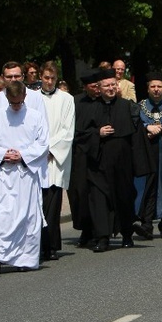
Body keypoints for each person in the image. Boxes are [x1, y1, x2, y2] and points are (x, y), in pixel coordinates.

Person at [0, 81, 49, 274]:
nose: (16, 106)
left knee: (27, 217)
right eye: (12, 103)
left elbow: (43, 143)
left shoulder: (35, 117)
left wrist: (22, 155)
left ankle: (25, 259)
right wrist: (3, 153)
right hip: (2, 174)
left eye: (19, 102)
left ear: (25, 97)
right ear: (6, 99)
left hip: (25, 174)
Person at [81, 69, 143, 252]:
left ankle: (126, 233)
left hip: (122, 163)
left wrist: (137, 164)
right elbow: (80, 135)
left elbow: (136, 137)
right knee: (99, 200)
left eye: (113, 85)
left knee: (124, 197)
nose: (110, 88)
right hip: (98, 164)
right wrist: (97, 133)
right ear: (98, 88)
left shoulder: (127, 106)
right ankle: (102, 237)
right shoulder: (90, 108)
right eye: (106, 85)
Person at [39, 63, 75, 261]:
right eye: (46, 78)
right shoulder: (33, 97)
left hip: (54, 158)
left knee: (53, 202)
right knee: (39, 203)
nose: (49, 82)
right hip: (38, 157)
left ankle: (51, 245)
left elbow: (68, 129)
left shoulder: (67, 99)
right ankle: (37, 245)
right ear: (41, 77)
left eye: (52, 78)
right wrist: (39, 149)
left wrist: (51, 148)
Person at [137, 72, 162, 239]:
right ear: (148, 89)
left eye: (159, 86)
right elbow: (136, 123)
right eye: (153, 86)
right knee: (148, 185)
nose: (156, 89)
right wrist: (147, 127)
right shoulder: (140, 106)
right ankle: (146, 222)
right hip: (147, 151)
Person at [68, 72, 101, 247]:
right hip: (80, 153)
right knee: (79, 192)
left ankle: (98, 230)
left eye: (98, 86)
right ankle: (85, 228)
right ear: (86, 87)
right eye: (93, 87)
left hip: (99, 153)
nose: (97, 90)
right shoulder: (76, 102)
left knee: (96, 193)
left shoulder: (105, 101)